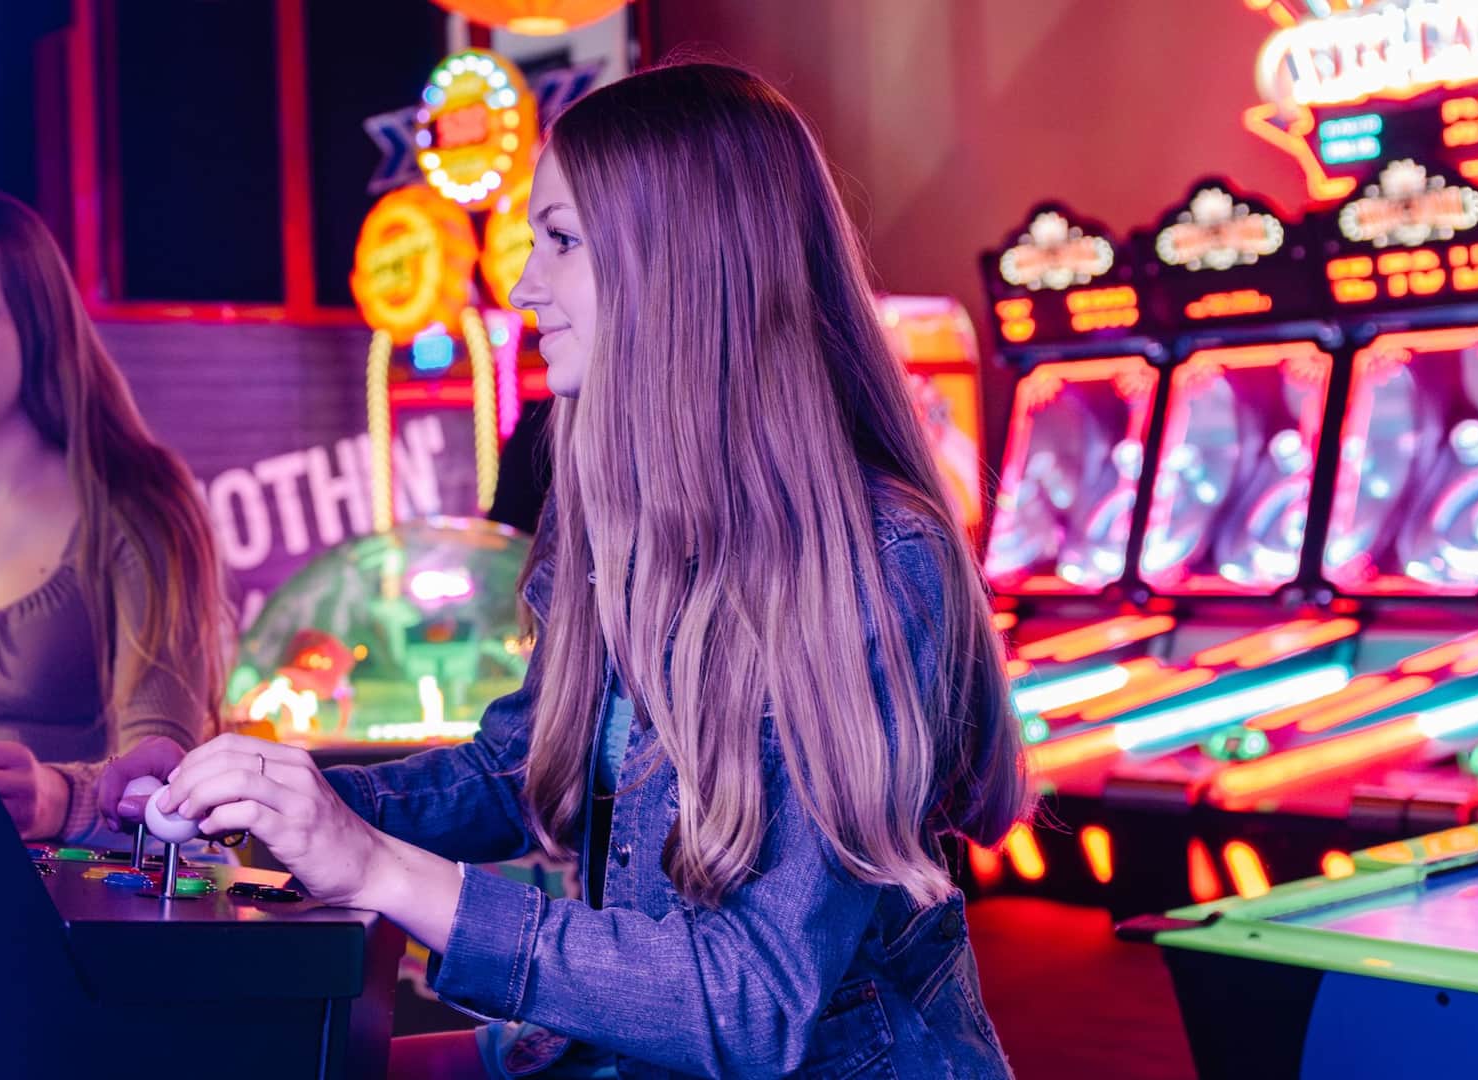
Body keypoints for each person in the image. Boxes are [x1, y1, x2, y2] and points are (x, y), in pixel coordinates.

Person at [155, 64, 1026, 1078]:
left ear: (684, 266)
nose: (524, 285)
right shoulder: (620, 517)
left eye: (560, 241)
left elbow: (752, 1003)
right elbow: (524, 770)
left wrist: (382, 869)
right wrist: (281, 802)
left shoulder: (878, 562)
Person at [0, 188, 228, 847]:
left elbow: (164, 773)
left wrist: (60, 798)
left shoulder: (139, 510)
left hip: (83, 905)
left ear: (37, 319)